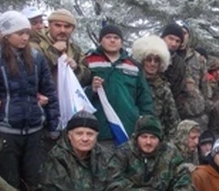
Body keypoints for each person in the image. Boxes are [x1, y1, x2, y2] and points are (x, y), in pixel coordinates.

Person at [0, 10, 59, 191]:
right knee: (9, 183)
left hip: (35, 130)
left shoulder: (36, 58)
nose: (25, 38)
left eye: (27, 33)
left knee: (35, 182)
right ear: (6, 34)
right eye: (19, 33)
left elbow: (49, 92)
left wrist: (53, 125)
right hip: (5, 130)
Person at [85, 22, 154, 150]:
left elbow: (144, 98)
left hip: (127, 129)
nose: (112, 40)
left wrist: (146, 124)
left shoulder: (133, 66)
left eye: (116, 38)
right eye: (108, 37)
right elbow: (77, 95)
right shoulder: (89, 62)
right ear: (100, 41)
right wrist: (92, 90)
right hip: (99, 131)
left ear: (121, 41)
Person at [161, 21, 210, 127]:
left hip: (194, 112)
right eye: (171, 38)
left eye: (184, 33)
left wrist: (205, 109)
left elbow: (205, 88)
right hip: (169, 110)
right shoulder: (163, 56)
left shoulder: (198, 58)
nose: (175, 41)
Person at [131, 34, 179, 137]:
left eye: (156, 60)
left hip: (157, 140)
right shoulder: (133, 84)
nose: (152, 64)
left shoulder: (163, 89)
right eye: (149, 59)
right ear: (142, 61)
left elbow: (173, 122)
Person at [31, 8, 90, 84]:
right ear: (49, 25)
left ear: (73, 29)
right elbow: (34, 71)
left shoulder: (75, 50)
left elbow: (87, 78)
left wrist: (76, 69)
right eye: (58, 25)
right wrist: (54, 51)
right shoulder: (35, 42)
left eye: (67, 26)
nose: (62, 30)